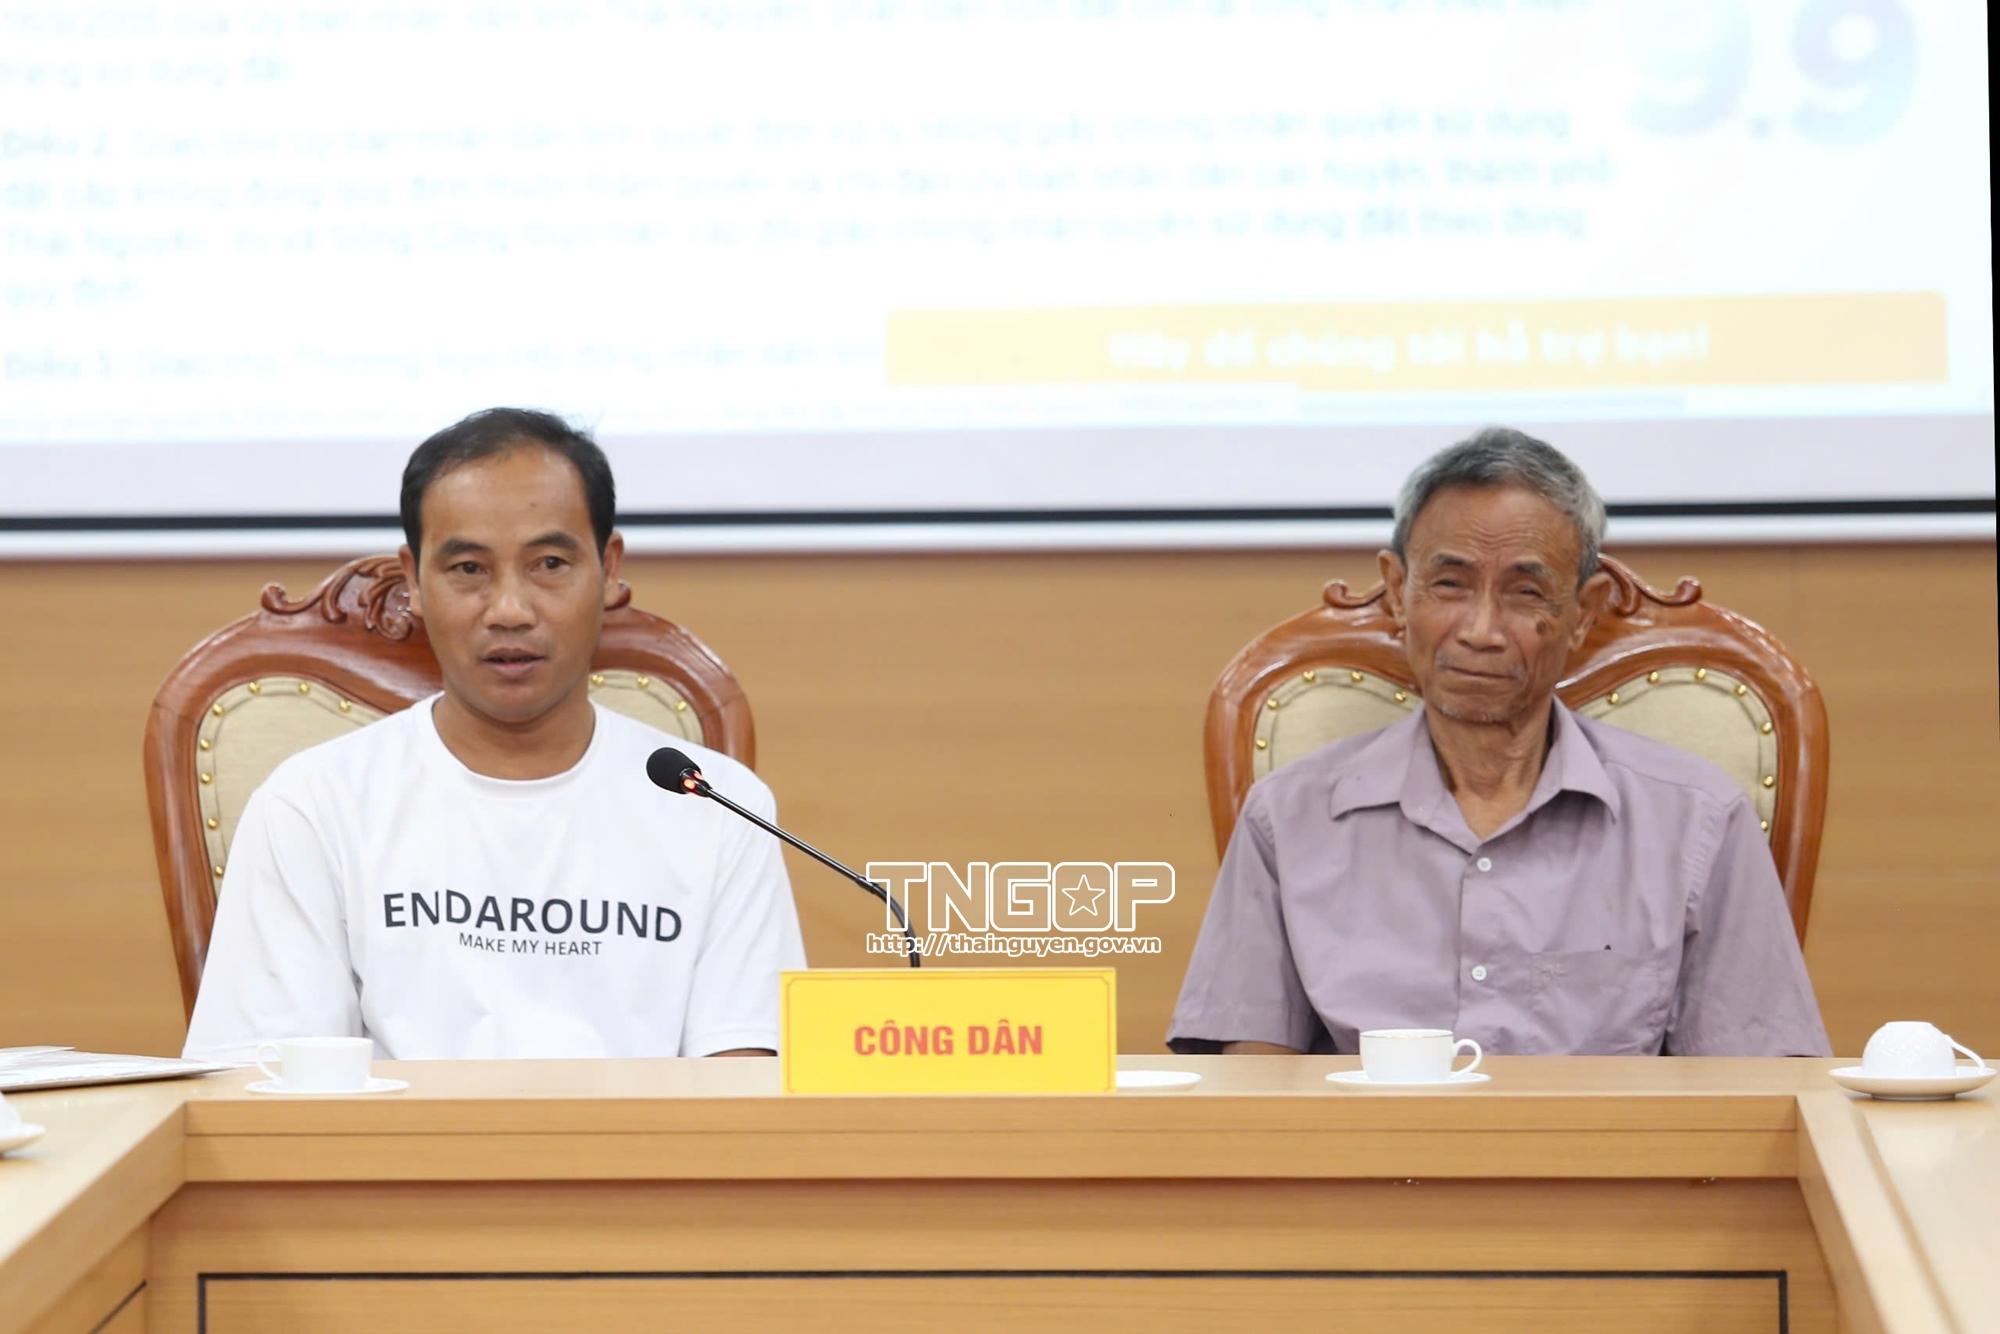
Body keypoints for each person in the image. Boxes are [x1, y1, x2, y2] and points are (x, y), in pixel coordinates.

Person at [1168, 428, 1830, 1057]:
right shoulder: (1287, 818)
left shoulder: (1698, 822)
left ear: (1583, 614)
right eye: (1450, 585)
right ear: (1398, 592)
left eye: (1524, 592)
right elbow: (1254, 1091)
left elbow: (1755, 1090)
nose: (1480, 631)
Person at [183, 408, 806, 1061]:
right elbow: (263, 1088)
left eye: (550, 563)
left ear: (609, 567)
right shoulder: (313, 805)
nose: (510, 610)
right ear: (413, 580)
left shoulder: (719, 807)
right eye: (468, 570)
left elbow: (744, 1083)